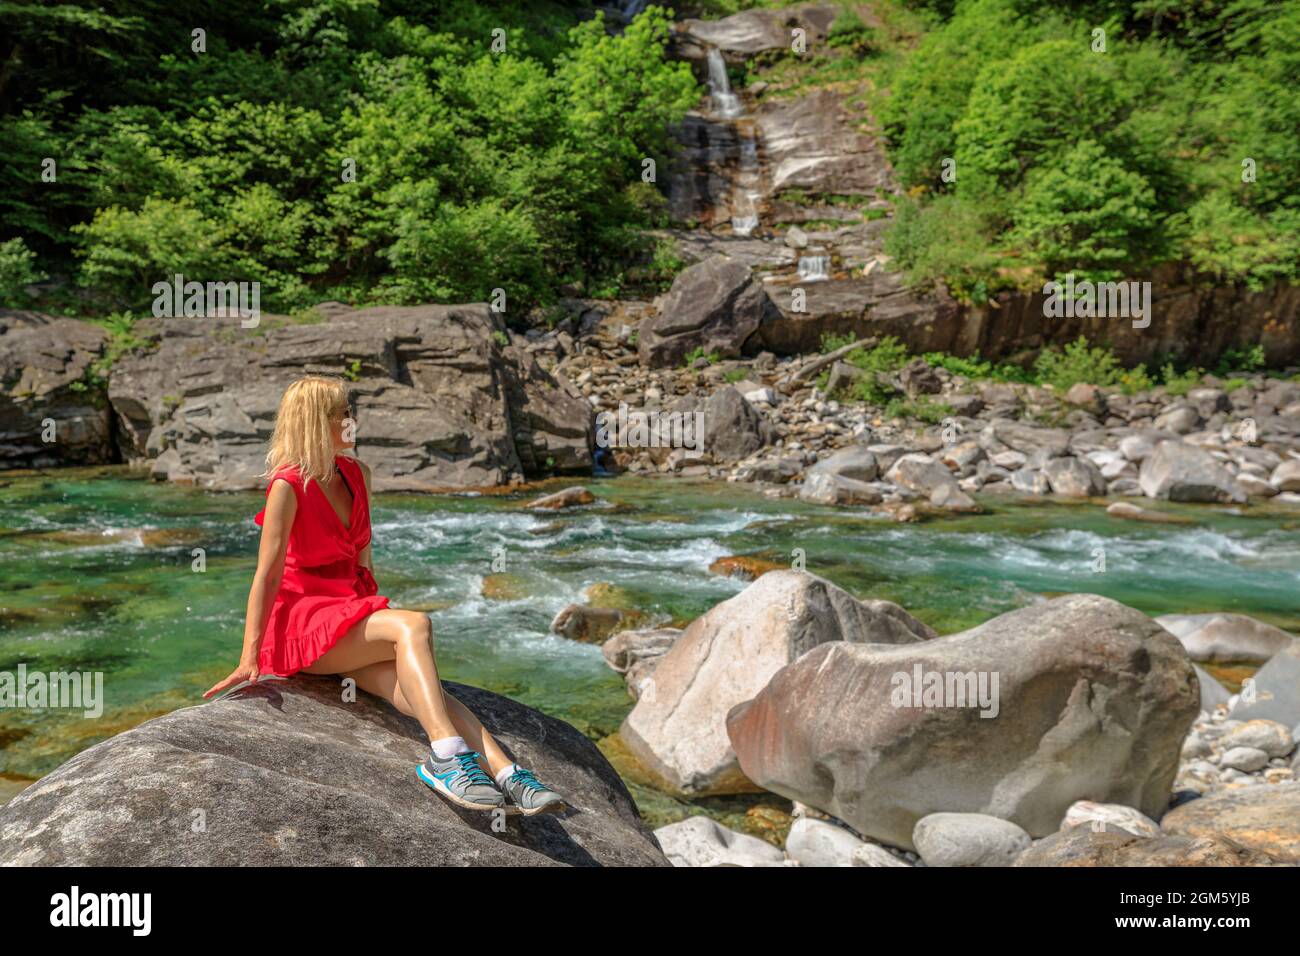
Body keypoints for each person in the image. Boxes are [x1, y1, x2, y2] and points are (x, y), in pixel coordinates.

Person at [204, 375, 566, 815]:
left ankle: (509, 776)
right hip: (303, 627)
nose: (351, 421)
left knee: (426, 692)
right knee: (415, 624)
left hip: (348, 616)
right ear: (318, 423)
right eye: (343, 414)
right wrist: (250, 658)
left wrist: (375, 616)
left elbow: (363, 560)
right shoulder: (287, 485)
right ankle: (445, 758)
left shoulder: (358, 474)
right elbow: (267, 575)